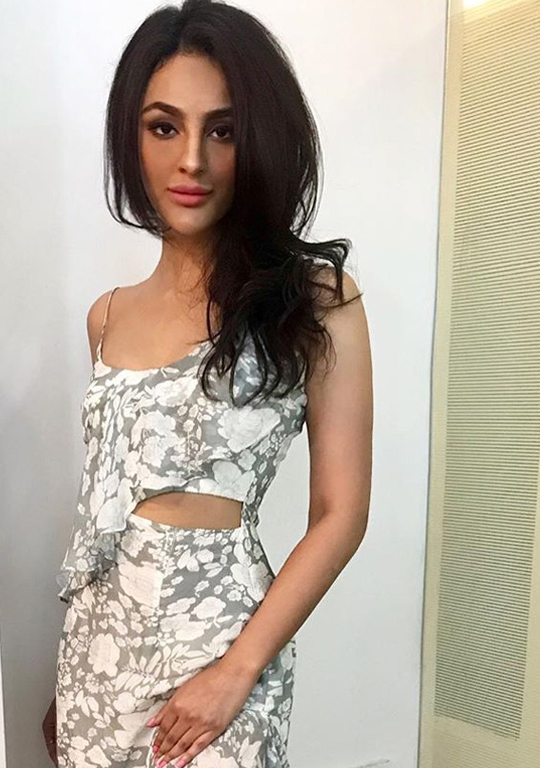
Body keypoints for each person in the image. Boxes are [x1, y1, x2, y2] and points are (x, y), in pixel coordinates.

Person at [43, 1, 373, 766]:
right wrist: (71, 682)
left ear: (257, 141)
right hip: (98, 660)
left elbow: (341, 514)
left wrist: (236, 673)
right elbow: (102, 514)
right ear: (132, 138)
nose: (191, 159)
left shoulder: (318, 300)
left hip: (223, 654)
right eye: (164, 127)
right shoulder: (105, 317)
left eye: (222, 131)